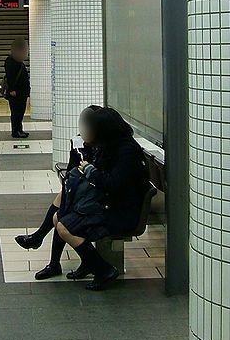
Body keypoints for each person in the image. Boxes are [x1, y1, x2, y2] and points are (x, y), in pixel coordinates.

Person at [16, 107, 149, 291]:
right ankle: (72, 262)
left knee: (63, 223)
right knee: (61, 213)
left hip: (119, 212)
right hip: (108, 203)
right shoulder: (111, 145)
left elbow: (112, 183)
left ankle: (103, 270)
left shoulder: (126, 151)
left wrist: (89, 170)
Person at [4, 38, 30, 138]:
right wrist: (12, 90)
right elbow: (10, 77)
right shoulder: (11, 62)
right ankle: (16, 132)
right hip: (16, 93)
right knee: (16, 112)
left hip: (22, 92)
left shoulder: (18, 61)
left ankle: (19, 130)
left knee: (20, 112)